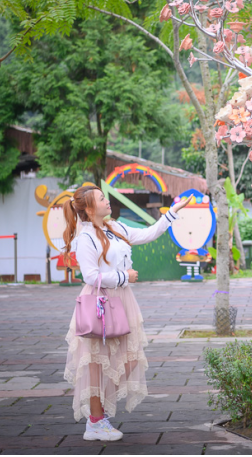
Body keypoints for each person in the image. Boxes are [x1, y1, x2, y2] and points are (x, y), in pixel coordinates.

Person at [61, 185, 190, 441]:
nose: (106, 201)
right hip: (98, 302)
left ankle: (98, 412)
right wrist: (124, 276)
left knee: (129, 358)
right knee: (96, 362)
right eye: (100, 198)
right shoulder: (85, 238)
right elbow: (90, 276)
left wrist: (171, 213)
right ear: (89, 209)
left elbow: (148, 233)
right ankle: (95, 422)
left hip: (122, 300)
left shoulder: (115, 227)